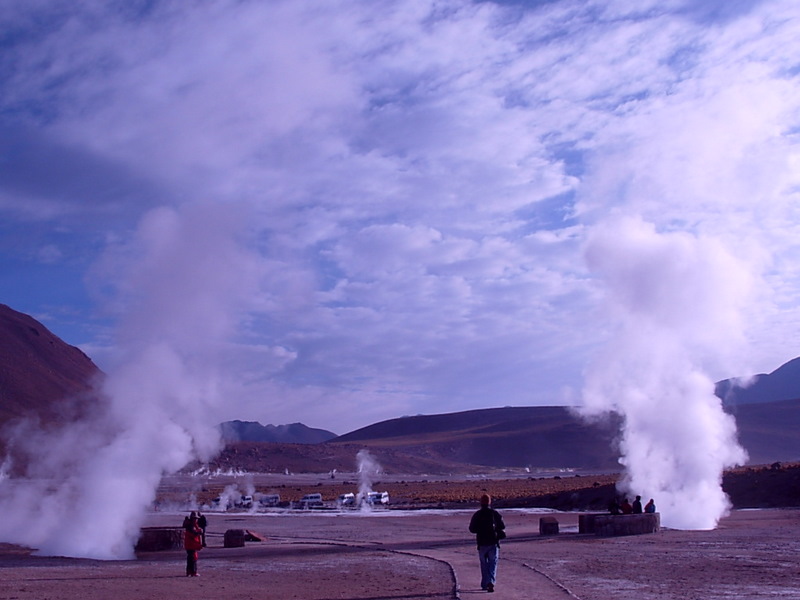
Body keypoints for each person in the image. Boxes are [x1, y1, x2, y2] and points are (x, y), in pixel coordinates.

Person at [468, 494, 505, 593]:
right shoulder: (494, 513)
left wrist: (481, 530)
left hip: (482, 543)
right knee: (493, 563)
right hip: (493, 542)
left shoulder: (478, 514)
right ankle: (490, 582)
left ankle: (485, 583)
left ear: (481, 502)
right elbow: (502, 526)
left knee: (484, 564)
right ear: (489, 502)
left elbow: (472, 529)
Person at [183, 511, 203, 577]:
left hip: (189, 544)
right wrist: (199, 532)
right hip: (191, 544)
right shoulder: (191, 525)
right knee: (193, 558)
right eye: (196, 518)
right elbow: (193, 534)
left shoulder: (189, 524)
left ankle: (189, 572)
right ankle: (193, 572)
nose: (197, 520)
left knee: (190, 559)